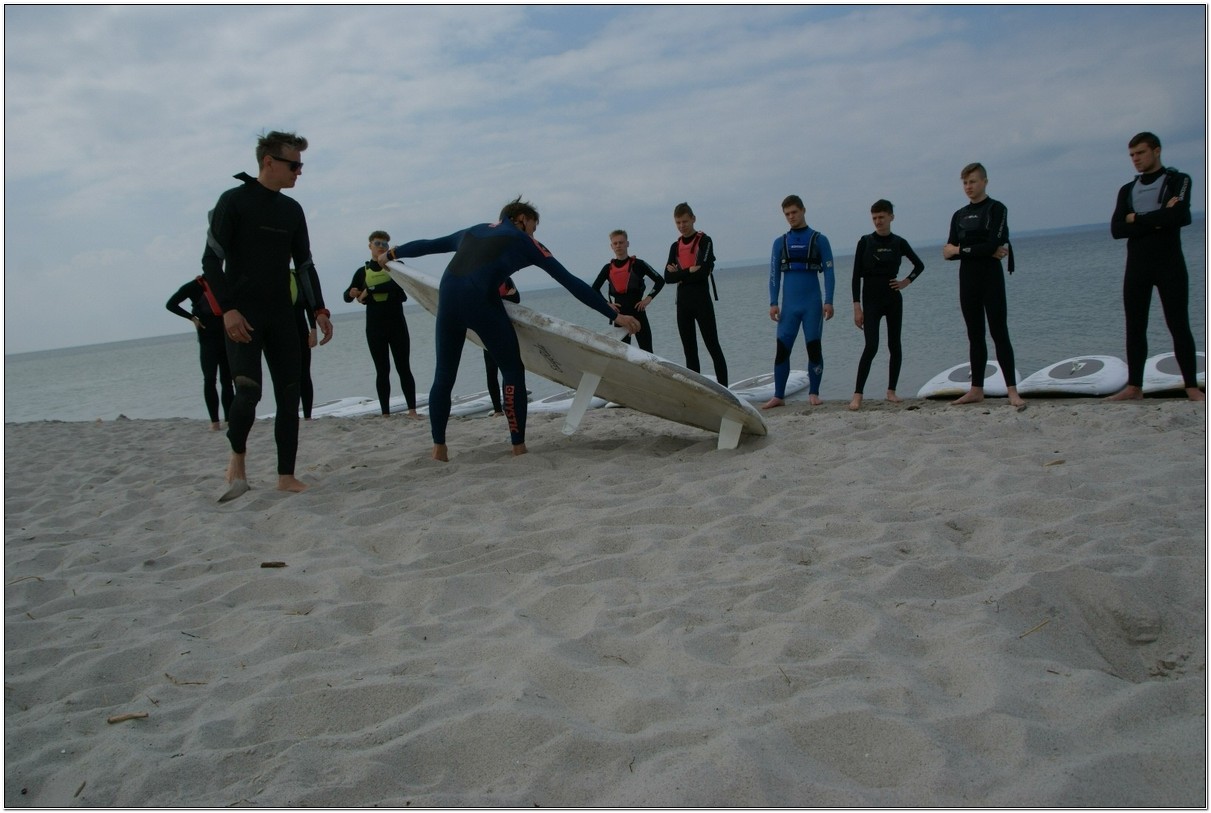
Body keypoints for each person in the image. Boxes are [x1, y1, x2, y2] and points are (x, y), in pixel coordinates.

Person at [377, 197, 640, 461]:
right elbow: (570, 282)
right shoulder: (525, 242)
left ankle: (439, 448)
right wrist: (614, 315)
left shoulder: (474, 230)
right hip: (480, 301)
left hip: (447, 300)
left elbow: (429, 245)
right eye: (533, 227)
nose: (534, 234)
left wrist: (390, 255)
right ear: (522, 219)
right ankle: (518, 446)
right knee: (512, 370)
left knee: (444, 375)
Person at [202, 130, 333, 501]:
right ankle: (238, 458)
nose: (299, 172)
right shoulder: (233, 201)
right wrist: (227, 309)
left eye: (301, 165)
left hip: (282, 315)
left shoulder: (292, 210)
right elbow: (211, 260)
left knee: (290, 395)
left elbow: (304, 264)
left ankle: (286, 476)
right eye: (294, 165)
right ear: (269, 162)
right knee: (248, 392)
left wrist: (318, 310)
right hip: (242, 315)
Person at [1107, 132, 1204, 402]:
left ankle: (1191, 386)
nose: (1136, 159)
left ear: (1157, 151)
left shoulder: (1178, 180)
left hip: (1169, 264)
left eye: (1141, 153)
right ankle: (1134, 387)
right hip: (1137, 266)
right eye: (1132, 155)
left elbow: (1180, 216)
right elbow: (1117, 229)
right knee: (1135, 326)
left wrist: (1135, 218)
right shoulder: (1128, 190)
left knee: (1178, 324)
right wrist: (1159, 219)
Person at [942, 163, 1024, 407]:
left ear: (985, 182)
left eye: (973, 182)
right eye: (965, 183)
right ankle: (976, 389)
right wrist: (977, 250)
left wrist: (961, 250)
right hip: (968, 280)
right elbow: (947, 252)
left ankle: (1012, 391)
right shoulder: (959, 215)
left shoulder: (996, 209)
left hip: (991, 278)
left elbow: (992, 244)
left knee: (999, 333)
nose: (969, 186)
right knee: (975, 335)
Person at [848, 200, 925, 410]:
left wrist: (906, 282)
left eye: (881, 217)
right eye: (874, 218)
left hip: (893, 299)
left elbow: (919, 265)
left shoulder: (899, 242)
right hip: (871, 300)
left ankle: (891, 391)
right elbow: (855, 276)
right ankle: (857, 394)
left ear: (891, 217)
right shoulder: (865, 242)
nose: (878, 221)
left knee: (895, 345)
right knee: (871, 346)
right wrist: (857, 307)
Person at [762, 195, 834, 408]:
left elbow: (829, 273)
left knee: (814, 347)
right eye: (787, 214)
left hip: (812, 305)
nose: (791, 217)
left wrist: (829, 300)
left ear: (803, 210)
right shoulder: (780, 243)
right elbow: (774, 275)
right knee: (782, 349)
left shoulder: (819, 240)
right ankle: (778, 396)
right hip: (789, 307)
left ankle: (814, 393)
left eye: (794, 212)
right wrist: (773, 303)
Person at [344, 231, 419, 417]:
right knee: (382, 370)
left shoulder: (396, 267)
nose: (381, 247)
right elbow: (347, 296)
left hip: (397, 325)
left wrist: (370, 289)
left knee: (404, 368)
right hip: (375, 328)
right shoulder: (362, 272)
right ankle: (385, 413)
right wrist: (352, 293)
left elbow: (398, 285)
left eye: (385, 244)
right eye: (377, 243)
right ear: (370, 245)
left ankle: (412, 410)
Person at [664, 202, 728, 384]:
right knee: (689, 351)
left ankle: (726, 390)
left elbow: (703, 272)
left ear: (693, 219)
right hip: (683, 303)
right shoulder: (675, 246)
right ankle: (696, 389)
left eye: (685, 221)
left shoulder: (705, 241)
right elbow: (668, 277)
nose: (682, 226)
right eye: (678, 223)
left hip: (701, 301)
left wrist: (680, 274)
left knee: (713, 346)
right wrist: (688, 270)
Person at [165, 276, 233, 430]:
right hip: (207, 338)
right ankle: (214, 422)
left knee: (227, 380)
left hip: (226, 336)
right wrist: (192, 318)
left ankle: (229, 420)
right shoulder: (194, 286)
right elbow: (171, 304)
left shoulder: (224, 283)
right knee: (209, 379)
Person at [592, 229, 665, 353]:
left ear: (627, 243)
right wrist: (607, 304)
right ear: (611, 246)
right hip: (619, 315)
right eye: (615, 243)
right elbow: (594, 289)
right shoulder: (608, 268)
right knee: (622, 353)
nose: (618, 245)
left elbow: (660, 280)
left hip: (638, 312)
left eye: (621, 242)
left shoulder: (639, 264)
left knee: (647, 352)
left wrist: (648, 299)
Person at [485, 277, 520, 416]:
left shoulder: (506, 279)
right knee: (491, 371)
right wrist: (505, 297)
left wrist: (497, 299)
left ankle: (508, 406)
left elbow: (517, 299)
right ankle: (497, 409)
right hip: (487, 330)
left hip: (506, 329)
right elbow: (484, 301)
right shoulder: (485, 280)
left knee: (507, 370)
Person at [291, 266, 318, 420]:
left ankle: (308, 416)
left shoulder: (296, 276)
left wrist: (313, 329)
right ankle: (290, 414)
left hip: (301, 328)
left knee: (304, 373)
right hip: (280, 331)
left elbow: (308, 304)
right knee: (287, 376)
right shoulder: (272, 275)